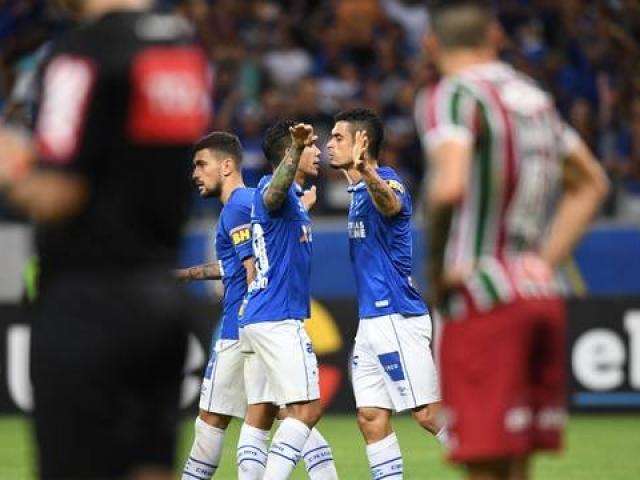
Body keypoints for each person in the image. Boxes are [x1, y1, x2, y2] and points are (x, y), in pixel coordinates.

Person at [0, 1, 212, 478]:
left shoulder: (84, 52)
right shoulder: (183, 47)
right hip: (159, 301)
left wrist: (12, 163)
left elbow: (59, 193)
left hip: (85, 305)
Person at [418, 2, 609, 479]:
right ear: (495, 38)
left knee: (483, 466)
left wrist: (436, 272)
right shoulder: (533, 98)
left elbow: (450, 186)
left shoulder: (454, 95)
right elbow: (592, 183)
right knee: (517, 466)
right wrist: (541, 263)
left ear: (431, 45)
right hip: (538, 293)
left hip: (482, 298)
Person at [176, 131, 338, 480]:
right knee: (279, 413)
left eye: (201, 164)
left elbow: (252, 267)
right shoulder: (246, 203)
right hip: (260, 318)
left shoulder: (238, 205)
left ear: (227, 165)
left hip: (243, 324)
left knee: (241, 416)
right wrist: (189, 275)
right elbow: (243, 263)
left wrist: (251, 313)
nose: (195, 173)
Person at [326, 107, 447, 479]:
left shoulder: (388, 182)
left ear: (363, 143)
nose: (329, 143)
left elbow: (391, 204)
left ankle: (492, 468)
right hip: (372, 321)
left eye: (338, 137)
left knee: (427, 413)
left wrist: (366, 170)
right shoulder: (358, 191)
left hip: (395, 315)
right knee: (371, 416)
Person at [239, 120, 326, 480]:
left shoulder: (292, 201)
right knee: (306, 410)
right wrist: (295, 148)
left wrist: (303, 204)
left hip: (258, 317)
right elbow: (275, 194)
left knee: (263, 412)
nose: (318, 151)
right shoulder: (271, 191)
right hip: (277, 317)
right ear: (289, 152)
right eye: (310, 146)